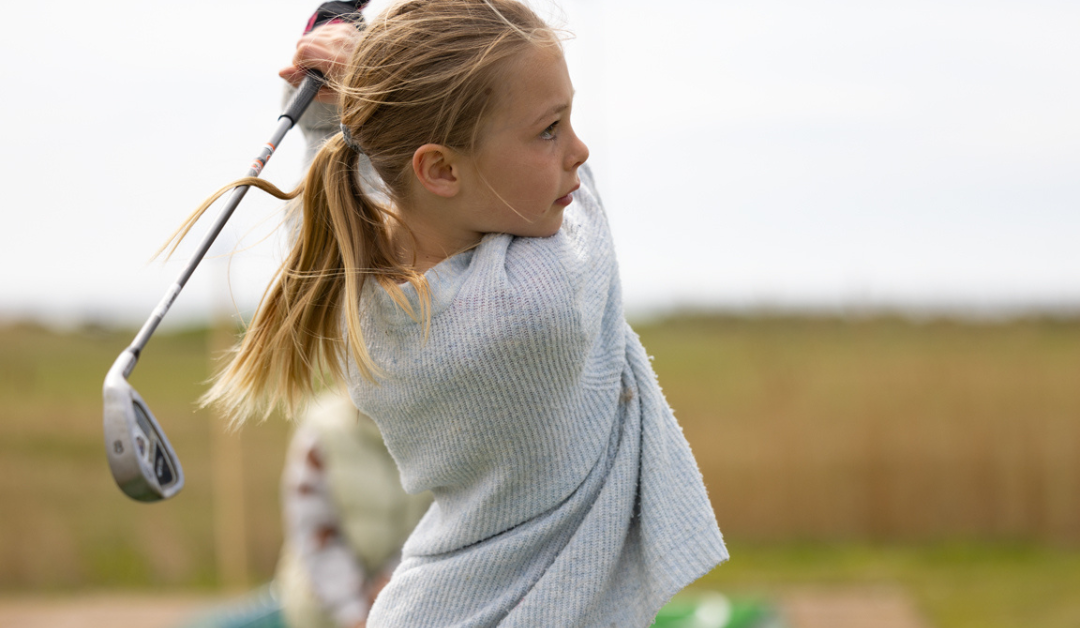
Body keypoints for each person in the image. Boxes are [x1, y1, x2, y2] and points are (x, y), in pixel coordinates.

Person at [167, 0, 728, 625]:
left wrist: (339, 113)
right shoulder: (540, 305)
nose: (578, 148)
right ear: (437, 168)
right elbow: (581, 204)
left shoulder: (371, 298)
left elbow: (345, 197)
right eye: (550, 128)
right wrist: (364, 85)